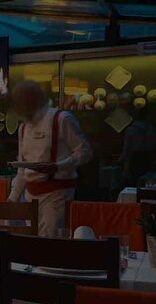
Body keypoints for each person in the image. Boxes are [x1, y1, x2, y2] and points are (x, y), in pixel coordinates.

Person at [8, 81, 93, 237]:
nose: (20, 105)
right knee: (30, 242)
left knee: (49, 242)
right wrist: (12, 199)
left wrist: (58, 166)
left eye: (24, 99)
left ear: (35, 98)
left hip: (57, 194)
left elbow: (85, 152)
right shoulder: (23, 127)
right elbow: (22, 169)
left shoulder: (61, 119)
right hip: (30, 196)